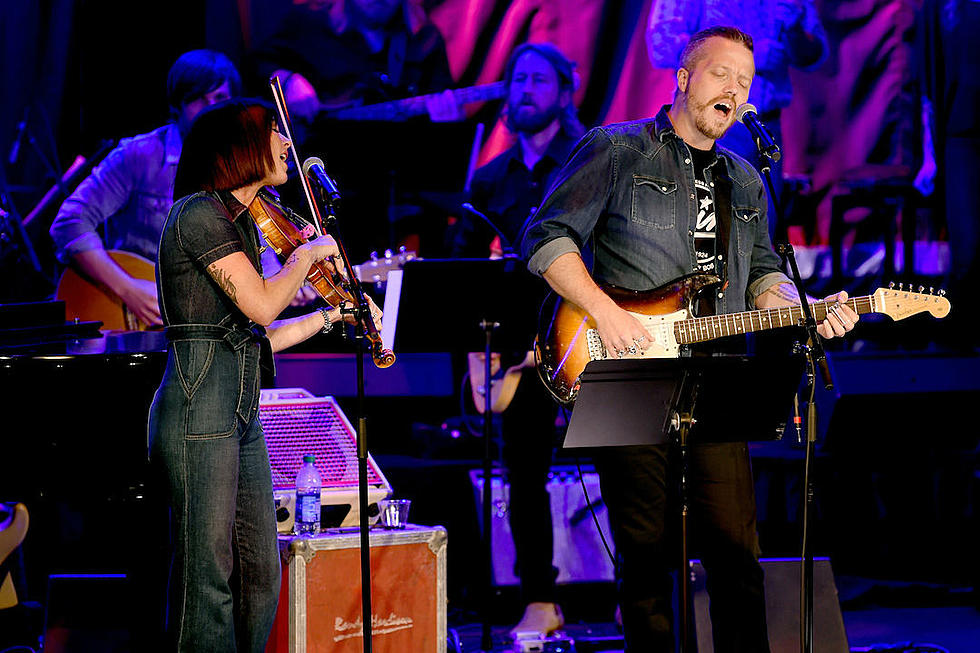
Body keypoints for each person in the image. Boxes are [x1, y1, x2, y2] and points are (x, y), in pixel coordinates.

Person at [520, 26, 858, 651]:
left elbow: (761, 278)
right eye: (720, 73)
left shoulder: (746, 179)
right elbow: (545, 239)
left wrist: (808, 308)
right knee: (645, 561)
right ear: (682, 78)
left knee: (736, 553)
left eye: (745, 81)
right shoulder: (618, 150)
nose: (734, 88)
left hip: (719, 375)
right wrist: (604, 309)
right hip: (624, 367)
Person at [147, 98, 381, 652]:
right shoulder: (197, 216)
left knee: (259, 573)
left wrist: (333, 314)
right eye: (274, 131)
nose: (286, 142)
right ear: (239, 148)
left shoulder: (246, 228)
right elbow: (260, 306)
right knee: (208, 577)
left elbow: (260, 338)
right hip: (198, 410)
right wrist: (306, 257)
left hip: (239, 409)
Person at [450, 42, 585, 638]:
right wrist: (484, 358)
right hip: (523, 355)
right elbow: (464, 273)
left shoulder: (585, 161)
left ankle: (648, 596)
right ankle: (540, 598)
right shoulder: (489, 179)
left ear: (563, 90)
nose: (525, 87)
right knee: (524, 475)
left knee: (622, 460)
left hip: (587, 339)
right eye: (517, 78)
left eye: (538, 78)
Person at [49, 50, 242, 327]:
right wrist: (129, 289)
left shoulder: (243, 166)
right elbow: (69, 222)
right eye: (198, 99)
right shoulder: (139, 155)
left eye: (220, 99)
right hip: (132, 318)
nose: (210, 109)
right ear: (177, 105)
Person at [646, 0, 828, 243]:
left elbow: (815, 55)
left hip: (765, 124)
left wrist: (795, 33)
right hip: (709, 122)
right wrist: (744, 57)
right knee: (707, 231)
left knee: (762, 232)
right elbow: (662, 44)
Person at [251, 0, 462, 124]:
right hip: (322, 170)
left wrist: (448, 119)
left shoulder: (425, 39)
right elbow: (255, 64)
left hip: (399, 180)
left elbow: (444, 104)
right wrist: (288, 81)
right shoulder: (308, 23)